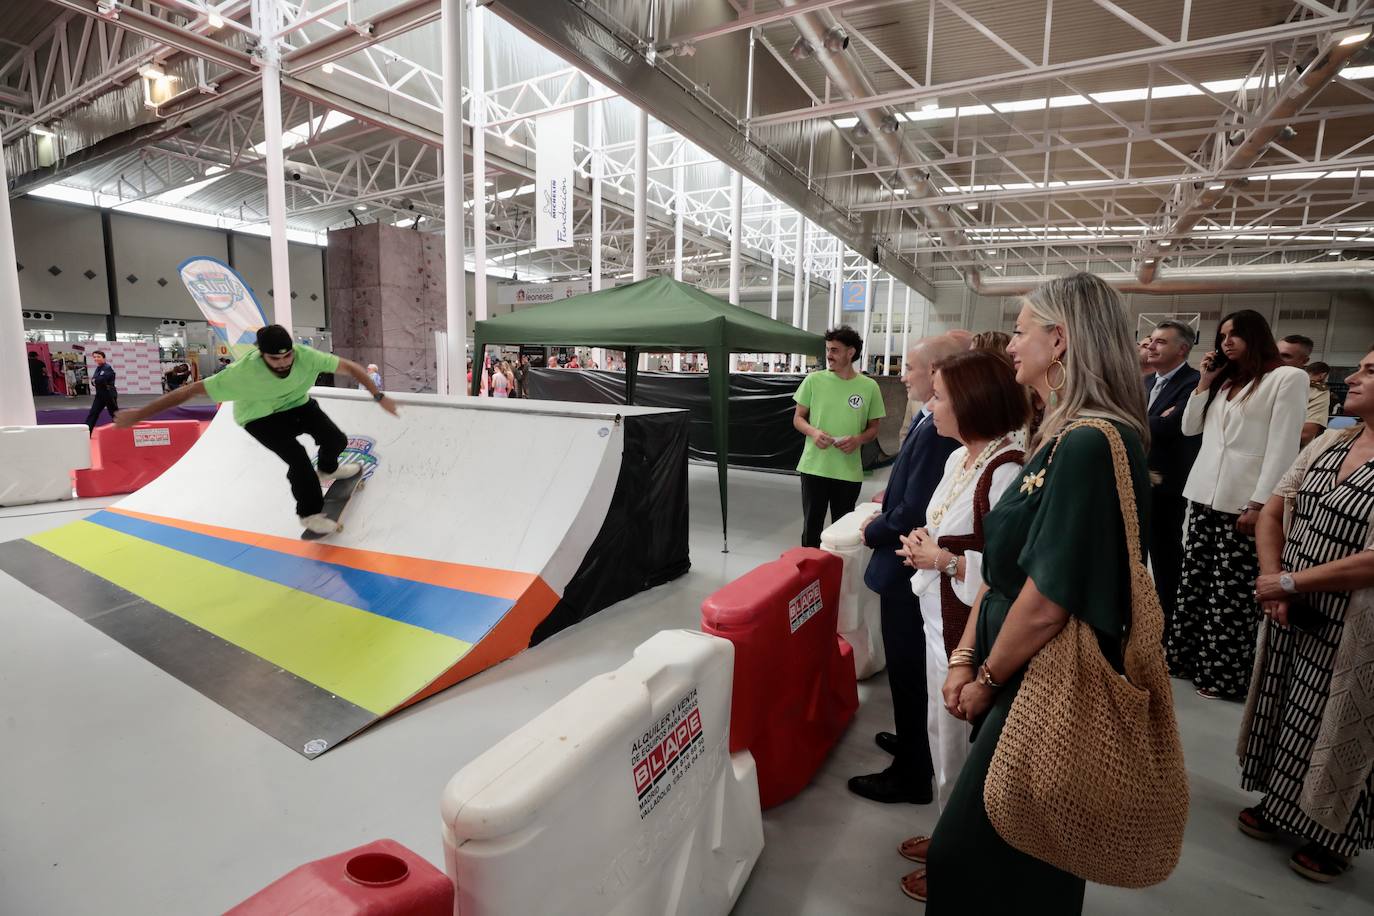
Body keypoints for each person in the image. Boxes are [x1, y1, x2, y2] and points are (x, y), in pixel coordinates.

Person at [923, 272, 1152, 913]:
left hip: (1040, 680)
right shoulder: (1060, 438)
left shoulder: (1088, 444)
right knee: (1019, 855)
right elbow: (1005, 571)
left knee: (975, 858)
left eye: (1022, 330)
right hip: (1012, 670)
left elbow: (1048, 597)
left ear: (1061, 341)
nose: (1012, 345)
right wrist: (969, 656)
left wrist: (984, 675)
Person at [891, 349, 1027, 902]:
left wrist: (943, 561)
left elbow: (1008, 572)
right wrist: (927, 549)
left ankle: (961, 860)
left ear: (971, 402)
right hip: (937, 615)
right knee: (939, 735)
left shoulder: (1007, 469)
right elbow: (940, 525)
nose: (930, 402)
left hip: (966, 629)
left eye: (941, 395)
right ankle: (950, 834)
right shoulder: (960, 459)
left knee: (961, 748)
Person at [1239, 346, 1374, 883]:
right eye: (1360, 366)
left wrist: (1289, 582)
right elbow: (1274, 508)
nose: (1354, 376)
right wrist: (1274, 583)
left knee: (1343, 721)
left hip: (1354, 623)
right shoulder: (1330, 440)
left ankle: (1334, 832)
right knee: (1289, 704)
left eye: (1370, 370)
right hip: (1293, 608)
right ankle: (1283, 802)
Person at [114, 325, 398, 535]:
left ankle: (328, 468)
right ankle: (310, 514)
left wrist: (378, 396)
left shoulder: (306, 356)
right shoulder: (241, 373)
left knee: (335, 439)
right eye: (276, 360)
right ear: (261, 356)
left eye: (288, 357)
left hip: (297, 405)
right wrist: (139, 414)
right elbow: (187, 392)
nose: (284, 364)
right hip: (259, 417)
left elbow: (351, 368)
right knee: (297, 459)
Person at [1168, 310, 1308, 699]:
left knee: (1229, 594)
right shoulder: (1228, 381)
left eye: (1235, 334)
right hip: (1204, 494)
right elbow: (1189, 428)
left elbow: (1282, 447)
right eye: (1222, 335)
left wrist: (1260, 503)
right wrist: (1205, 382)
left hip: (1243, 500)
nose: (1226, 341)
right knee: (1194, 583)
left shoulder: (1286, 378)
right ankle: (1183, 659)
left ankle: (1222, 675)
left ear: (1256, 335)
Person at [851, 335, 965, 807]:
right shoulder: (926, 420)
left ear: (937, 370)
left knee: (909, 669)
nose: (902, 375)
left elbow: (916, 508)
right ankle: (912, 739)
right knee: (905, 671)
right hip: (906, 563)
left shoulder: (942, 430)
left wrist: (875, 531)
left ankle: (913, 771)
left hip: (907, 567)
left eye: (911, 368)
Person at [793, 325, 886, 548]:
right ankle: (809, 577)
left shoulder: (869, 387)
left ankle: (838, 575)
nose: (829, 355)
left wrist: (857, 440)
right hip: (814, 468)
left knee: (843, 529)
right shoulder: (813, 381)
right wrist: (814, 432)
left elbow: (874, 428)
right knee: (811, 528)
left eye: (834, 350)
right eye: (827, 349)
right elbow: (798, 419)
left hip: (848, 472)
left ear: (850, 352)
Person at [1144, 320, 1203, 630]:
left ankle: (1170, 621)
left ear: (1182, 349)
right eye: (1151, 340)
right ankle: (1137, 615)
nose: (1151, 346)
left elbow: (1172, 426)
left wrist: (1143, 419)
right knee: (1134, 551)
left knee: (1165, 553)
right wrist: (1153, 419)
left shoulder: (1195, 382)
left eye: (1161, 342)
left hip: (1167, 484)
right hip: (1136, 478)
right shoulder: (1145, 383)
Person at [1278, 334, 1331, 447]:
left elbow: (1305, 434)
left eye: (1286, 356)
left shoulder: (1316, 392)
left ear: (1304, 360)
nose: (1277, 360)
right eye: (1274, 354)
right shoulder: (1256, 381)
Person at [85, 349, 119, 432]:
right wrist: (95, 380)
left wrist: (95, 380)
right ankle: (87, 432)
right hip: (100, 394)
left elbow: (99, 380)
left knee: (115, 415)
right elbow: (94, 380)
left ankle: (123, 431)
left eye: (98, 357)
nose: (96, 358)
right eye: (95, 357)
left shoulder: (107, 368)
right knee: (93, 413)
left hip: (108, 394)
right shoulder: (98, 368)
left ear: (103, 358)